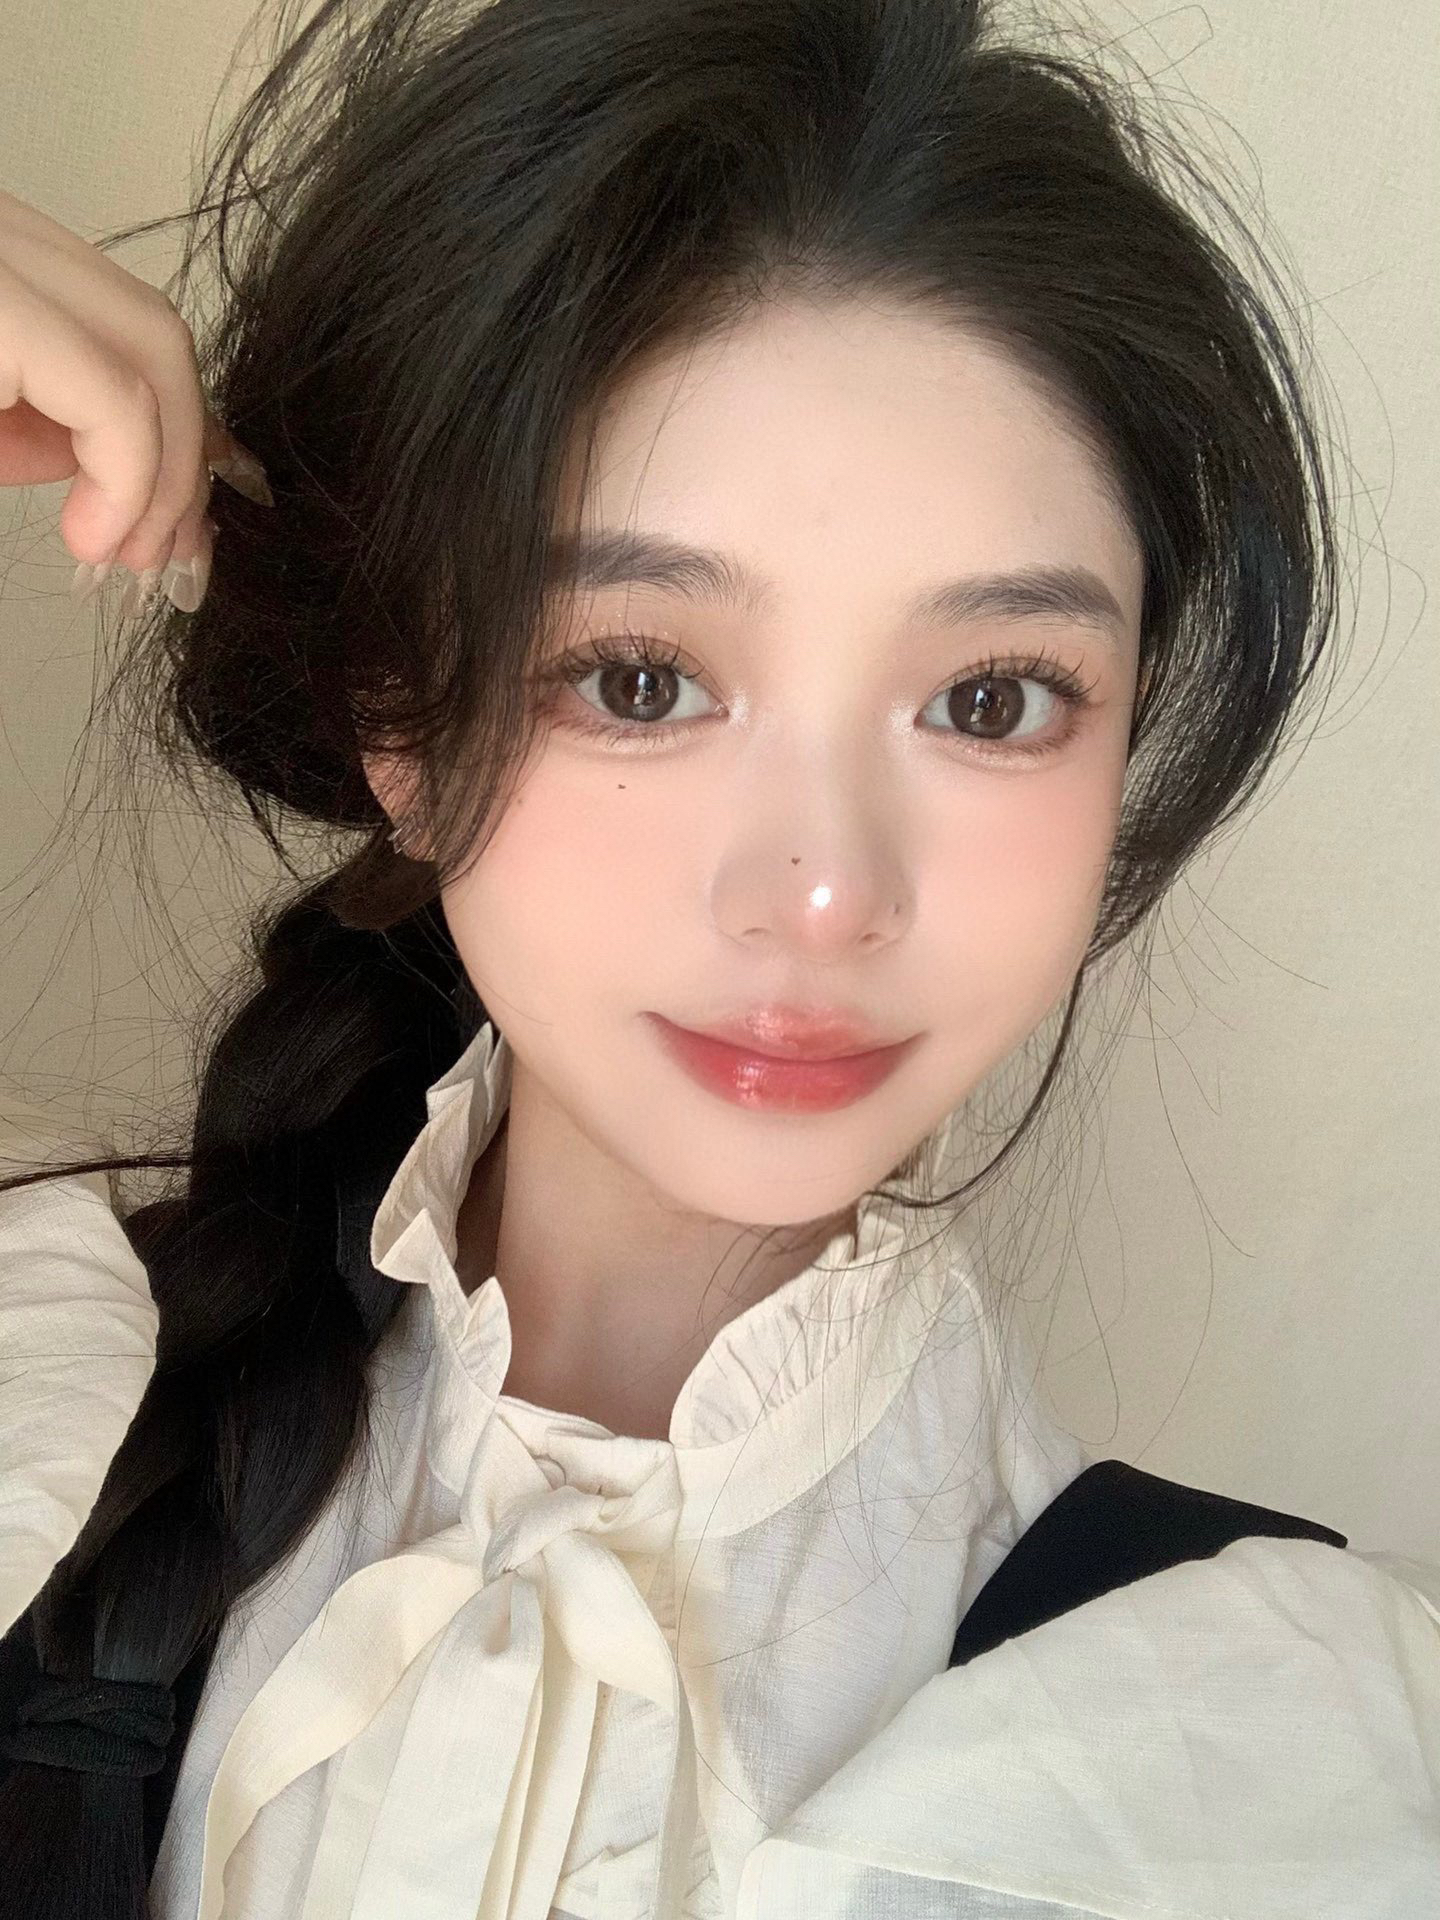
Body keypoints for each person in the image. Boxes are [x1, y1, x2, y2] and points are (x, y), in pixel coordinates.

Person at [1, 0, 1437, 1914]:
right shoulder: (38, 1397)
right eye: (641, 678)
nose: (825, 895)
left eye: (993, 698)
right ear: (397, 720)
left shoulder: (1285, 1764)